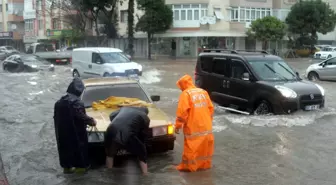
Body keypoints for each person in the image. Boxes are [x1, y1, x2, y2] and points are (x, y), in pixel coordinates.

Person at [53, 77, 96, 174]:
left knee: (65, 150)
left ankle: (67, 169)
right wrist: (91, 121)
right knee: (79, 152)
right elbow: (80, 116)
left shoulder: (59, 101)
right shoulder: (77, 102)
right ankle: (80, 171)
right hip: (76, 134)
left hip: (62, 133)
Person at [174, 74, 214, 172]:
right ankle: (204, 166)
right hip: (207, 126)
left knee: (191, 147)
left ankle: (189, 168)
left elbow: (182, 113)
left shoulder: (186, 94)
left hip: (194, 127)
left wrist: (178, 126)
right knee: (204, 147)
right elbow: (211, 109)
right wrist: (207, 121)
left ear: (183, 85)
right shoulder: (203, 92)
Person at [104, 106, 150, 175]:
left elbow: (111, 115)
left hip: (110, 130)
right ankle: (145, 174)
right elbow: (144, 134)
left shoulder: (125, 108)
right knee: (142, 152)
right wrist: (141, 146)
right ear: (146, 113)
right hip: (127, 133)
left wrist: (117, 124)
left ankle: (109, 172)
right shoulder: (145, 117)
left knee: (109, 154)